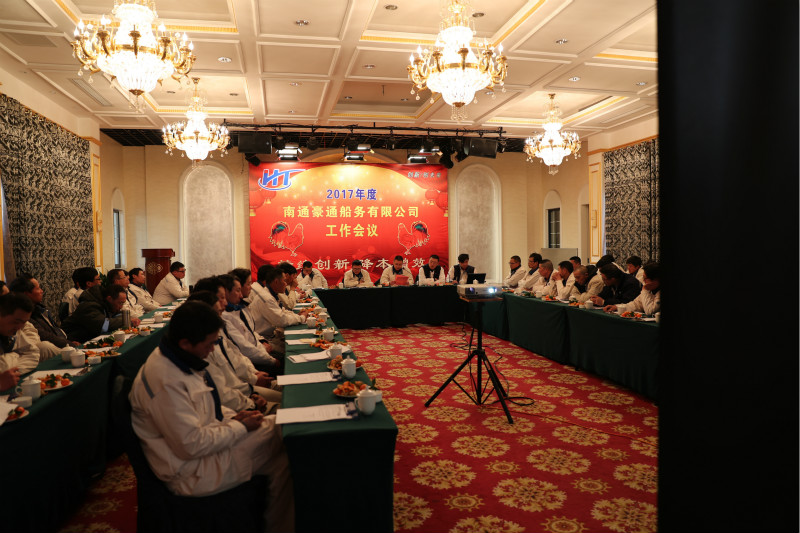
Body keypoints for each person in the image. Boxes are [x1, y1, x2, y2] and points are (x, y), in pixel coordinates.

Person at [129, 301, 293, 533]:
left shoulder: (178, 356)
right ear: (185, 343)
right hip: (192, 471)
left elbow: (207, 406)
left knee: (283, 456)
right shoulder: (166, 381)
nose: (212, 350)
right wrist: (239, 427)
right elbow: (191, 444)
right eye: (209, 344)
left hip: (206, 448)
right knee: (284, 432)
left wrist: (235, 417)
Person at [193, 277, 281, 404]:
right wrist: (253, 385)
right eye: (221, 298)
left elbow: (237, 355)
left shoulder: (220, 324)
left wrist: (254, 374)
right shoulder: (202, 340)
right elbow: (222, 386)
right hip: (241, 392)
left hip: (247, 384)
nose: (225, 303)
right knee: (286, 398)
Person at [218, 274, 282, 374]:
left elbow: (250, 334)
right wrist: (270, 361)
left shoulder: (239, 308)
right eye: (248, 284)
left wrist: (262, 344)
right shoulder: (225, 318)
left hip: (257, 352)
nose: (251, 287)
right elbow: (244, 349)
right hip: (252, 361)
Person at [8, 273, 78, 358]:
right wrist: (70, 346)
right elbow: (46, 337)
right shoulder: (25, 316)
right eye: (38, 288)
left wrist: (69, 343)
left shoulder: (39, 309)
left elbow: (55, 331)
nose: (42, 291)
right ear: (26, 294)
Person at [62, 283, 140, 343]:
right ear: (109, 299)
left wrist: (127, 319)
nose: (121, 307)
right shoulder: (89, 306)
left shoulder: (106, 303)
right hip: (73, 341)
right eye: (120, 303)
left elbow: (116, 316)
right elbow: (103, 325)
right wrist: (126, 320)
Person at [249, 266, 308, 340]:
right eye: (284, 281)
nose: (286, 284)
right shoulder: (266, 298)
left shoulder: (269, 293)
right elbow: (282, 320)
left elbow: (281, 311)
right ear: (276, 282)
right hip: (264, 339)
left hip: (270, 334)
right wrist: (301, 318)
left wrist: (295, 315)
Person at [0, 293, 39, 388]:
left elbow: (33, 354)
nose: (19, 327)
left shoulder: (13, 331)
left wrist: (11, 372)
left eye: (23, 322)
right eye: (16, 322)